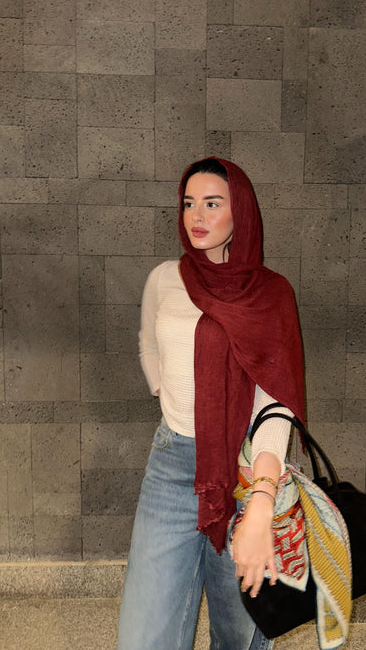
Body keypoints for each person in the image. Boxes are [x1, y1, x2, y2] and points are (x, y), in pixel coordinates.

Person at [116, 157, 305, 650]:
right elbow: (148, 343)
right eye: (188, 203)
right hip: (172, 465)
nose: (196, 216)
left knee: (237, 635)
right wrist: (174, 399)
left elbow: (276, 400)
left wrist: (261, 502)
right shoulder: (165, 278)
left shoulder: (270, 293)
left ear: (240, 212)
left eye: (212, 203)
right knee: (143, 637)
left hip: (246, 470)